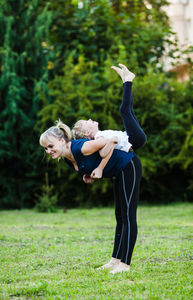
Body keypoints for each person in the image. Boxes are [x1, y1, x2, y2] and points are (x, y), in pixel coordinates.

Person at [39, 64, 147, 274]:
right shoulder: (70, 158)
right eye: (45, 149)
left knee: (128, 215)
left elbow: (112, 140)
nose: (49, 151)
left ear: (62, 140)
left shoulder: (82, 146)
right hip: (119, 171)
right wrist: (89, 174)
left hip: (129, 166)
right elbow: (90, 167)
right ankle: (115, 260)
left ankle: (124, 264)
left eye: (51, 146)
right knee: (120, 216)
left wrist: (99, 168)